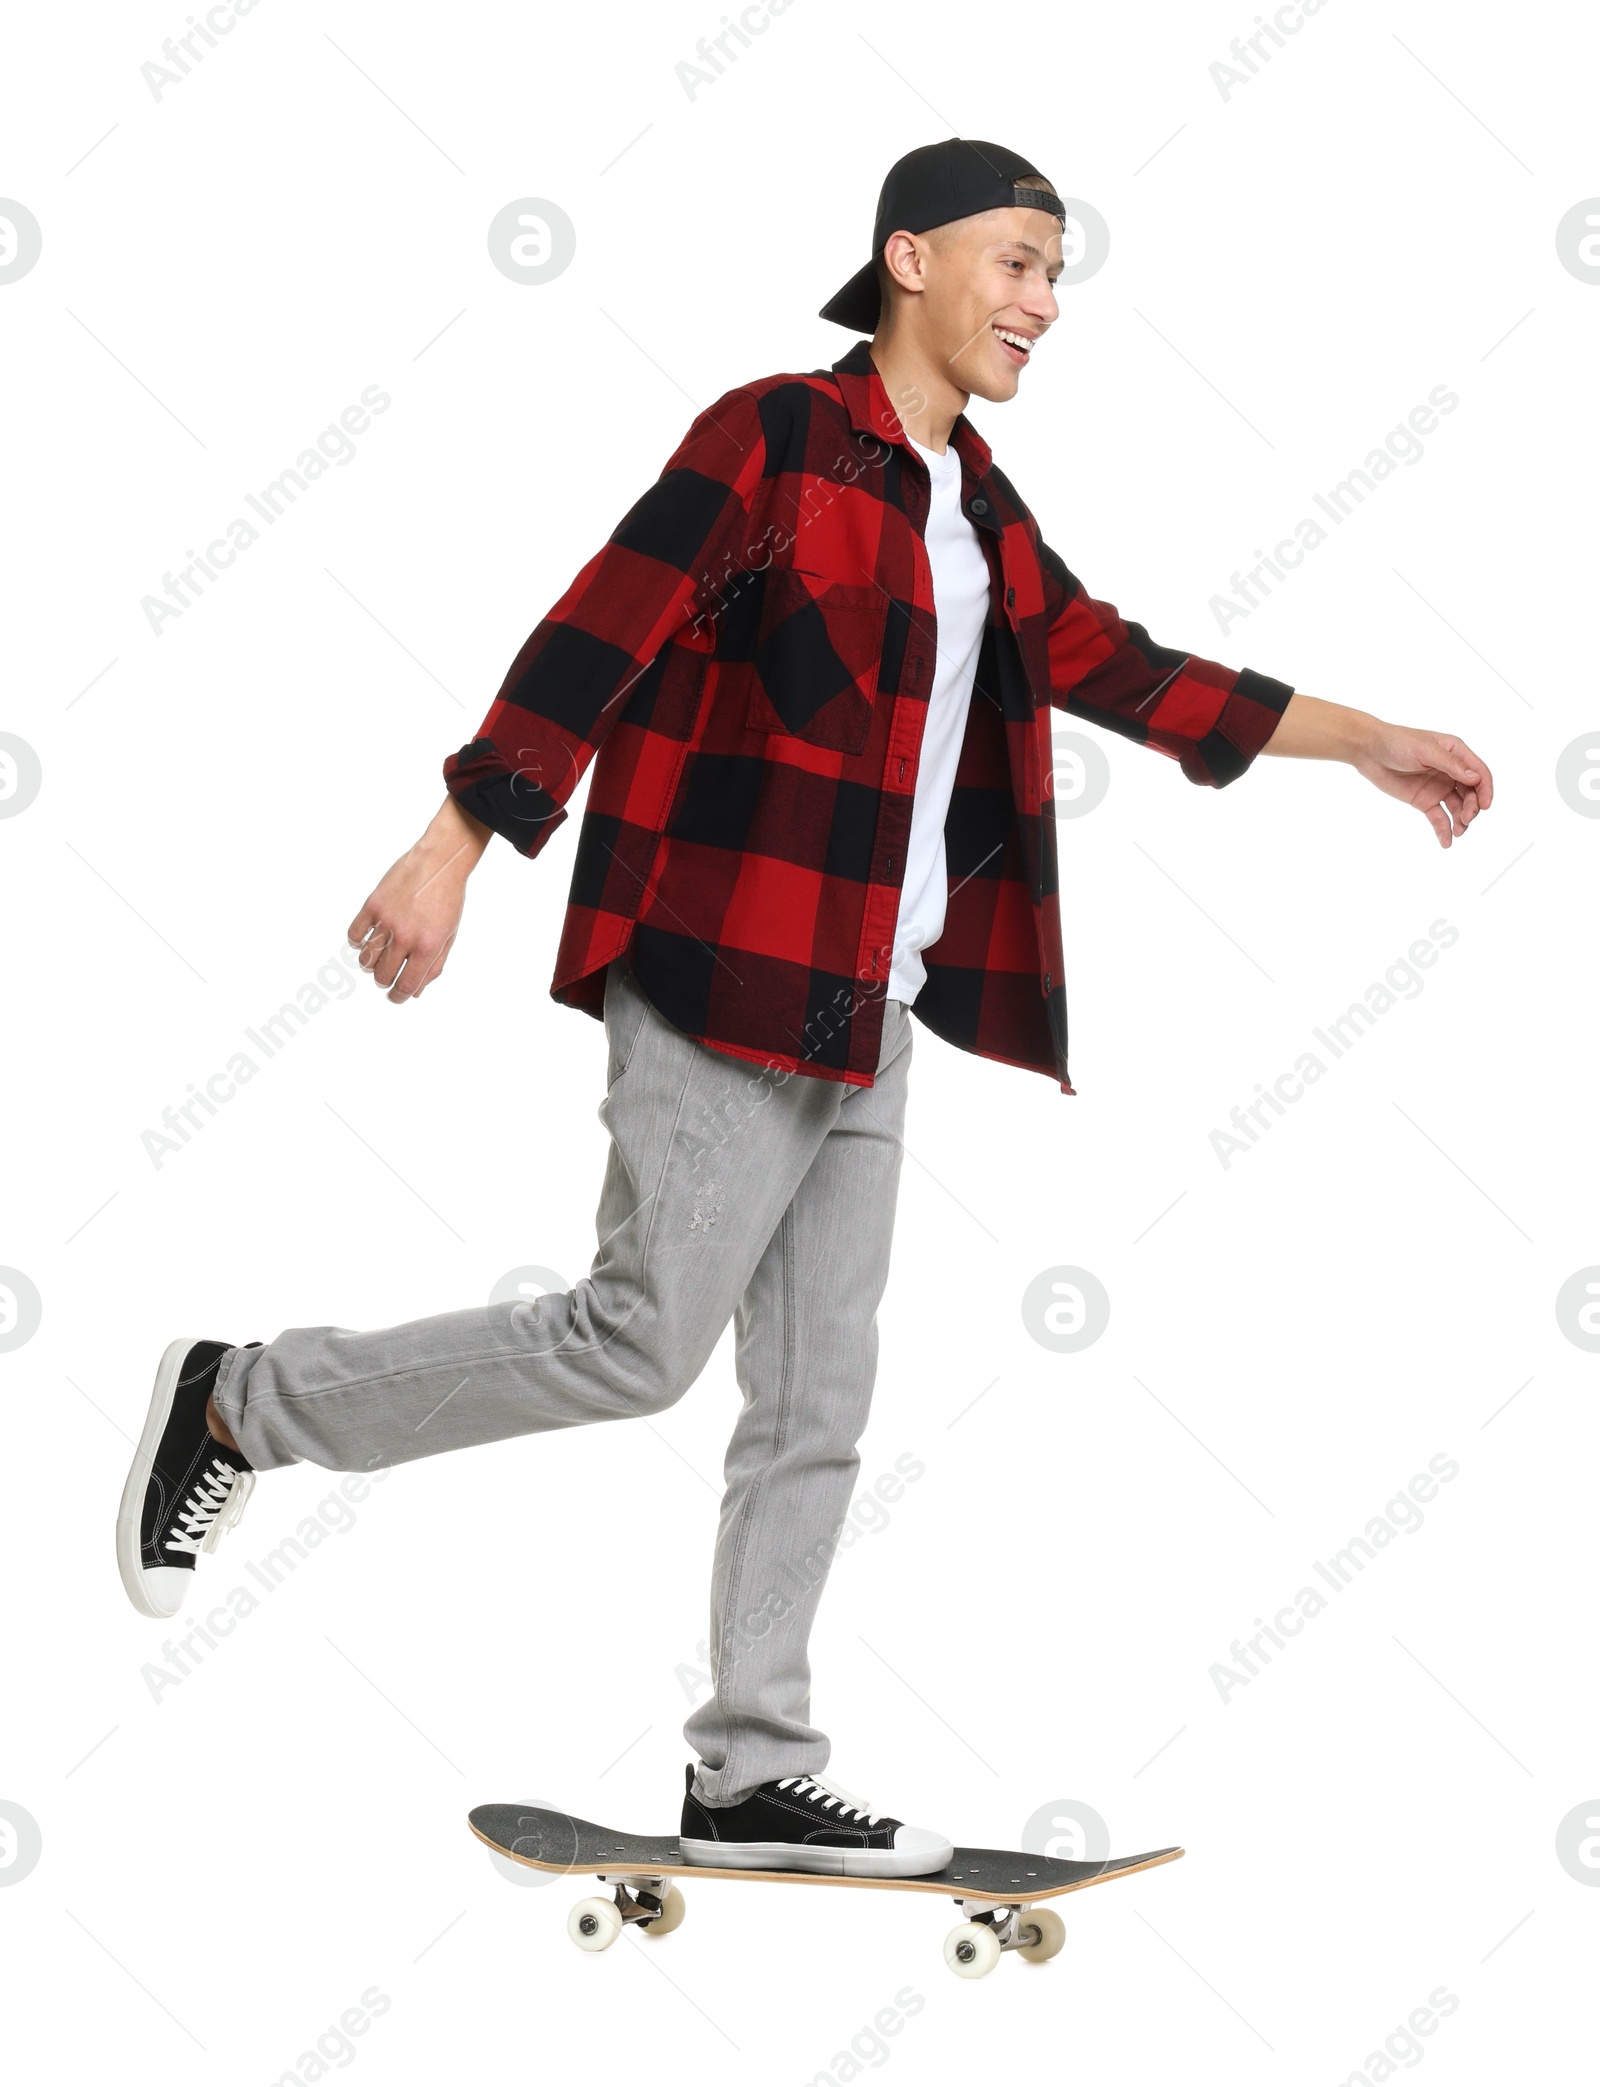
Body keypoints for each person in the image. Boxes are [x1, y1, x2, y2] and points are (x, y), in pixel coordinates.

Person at [116, 138, 1492, 1878]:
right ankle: (245, 1400)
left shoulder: (977, 502)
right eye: (1015, 262)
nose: (1042, 303)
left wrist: (1368, 739)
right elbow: (598, 631)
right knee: (638, 1340)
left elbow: (1126, 669)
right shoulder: (771, 435)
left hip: (872, 1012)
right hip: (720, 970)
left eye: (1058, 273)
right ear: (908, 259)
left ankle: (751, 1763)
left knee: (817, 1400)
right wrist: (459, 841)